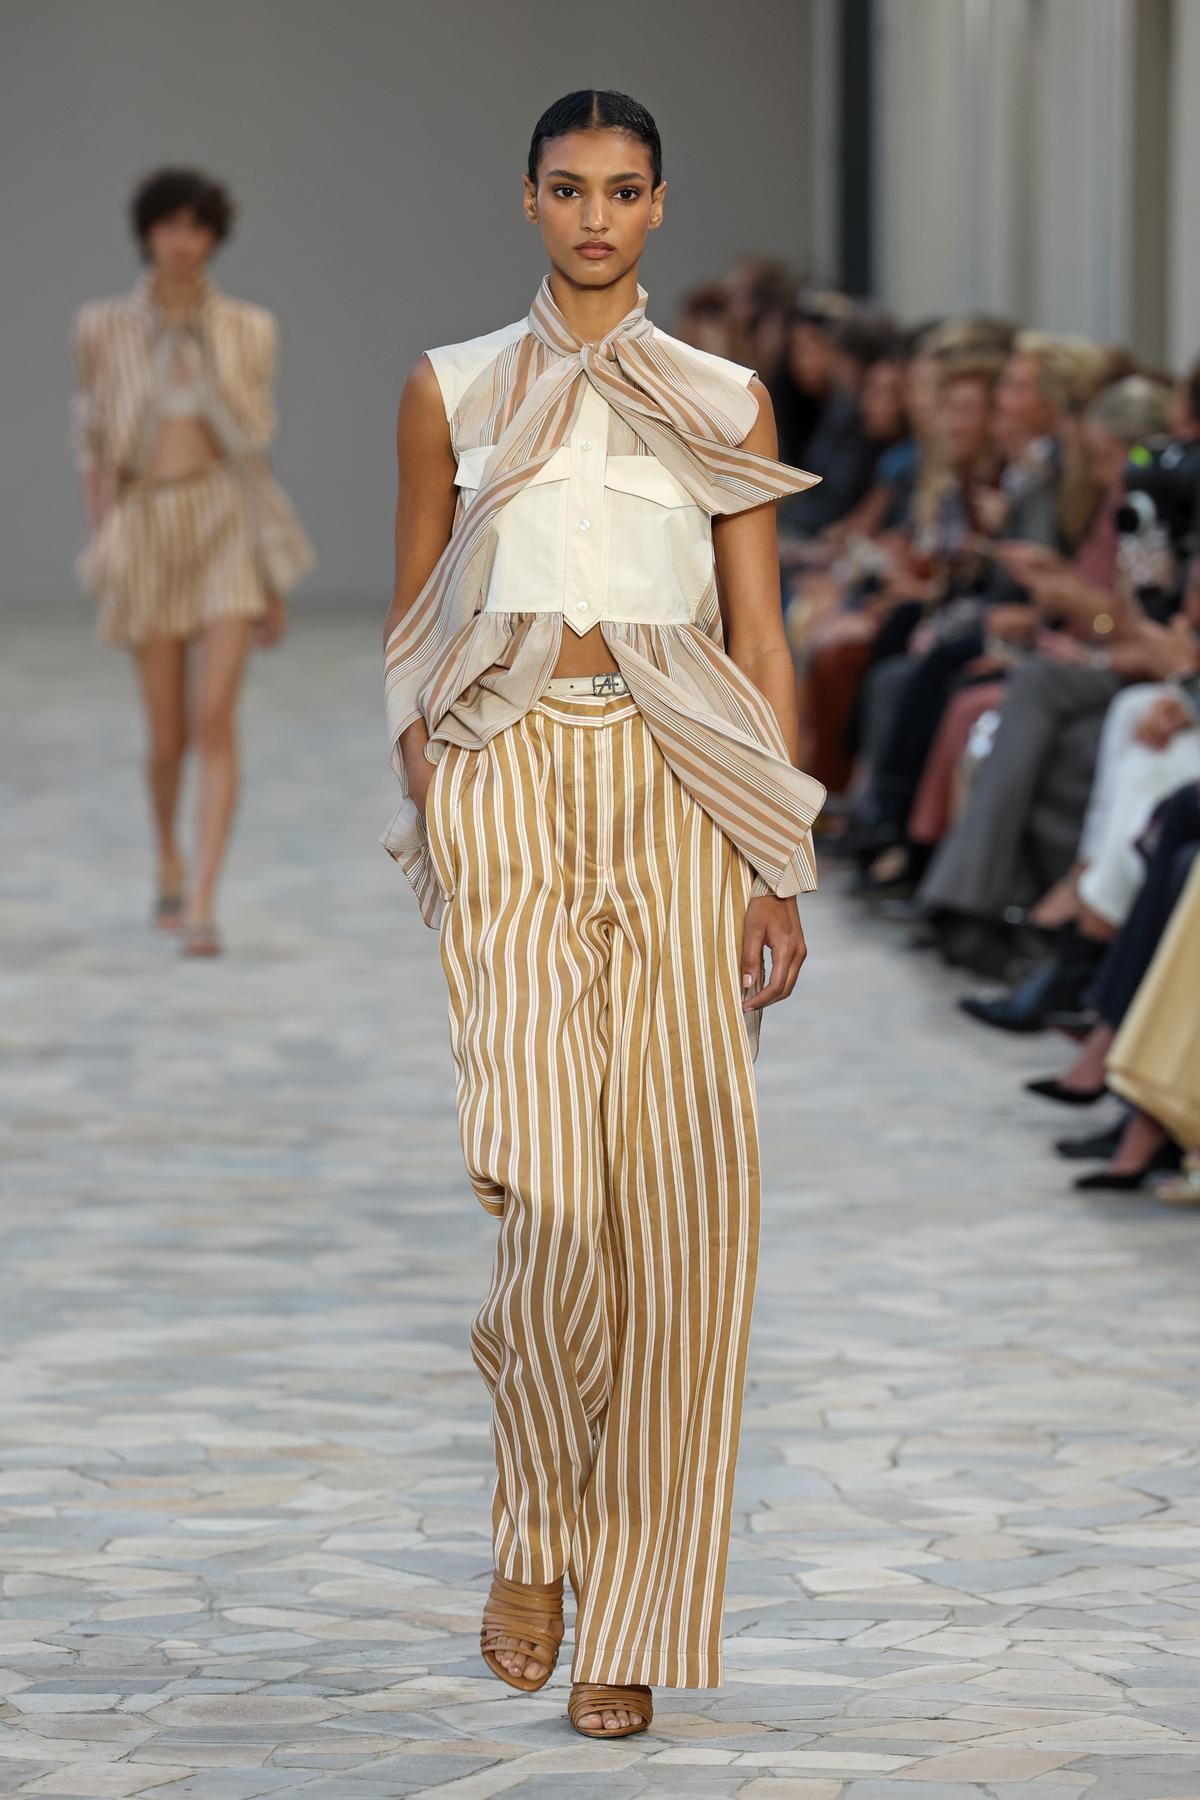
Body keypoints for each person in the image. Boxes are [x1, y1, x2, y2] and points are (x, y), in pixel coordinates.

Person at [381, 90, 824, 1741]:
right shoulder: (449, 387)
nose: (593, 215)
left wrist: (780, 861)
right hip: (509, 781)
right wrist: (432, 762)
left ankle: (627, 1611)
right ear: (527, 201)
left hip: (682, 790)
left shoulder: (723, 395)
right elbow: (420, 609)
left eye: (623, 191)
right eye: (567, 188)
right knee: (551, 1199)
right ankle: (536, 1522)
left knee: (689, 1223)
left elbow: (764, 640)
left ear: (658, 208)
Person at [71, 168, 314, 955]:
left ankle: (204, 897)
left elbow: (255, 449)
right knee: (167, 733)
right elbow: (94, 447)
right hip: (145, 523)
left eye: (197, 226)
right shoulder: (102, 327)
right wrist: (106, 540)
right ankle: (169, 857)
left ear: (214, 237)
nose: (183, 240)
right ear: (147, 232)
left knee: (215, 719)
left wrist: (272, 577)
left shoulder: (250, 327)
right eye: (170, 225)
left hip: (223, 521)